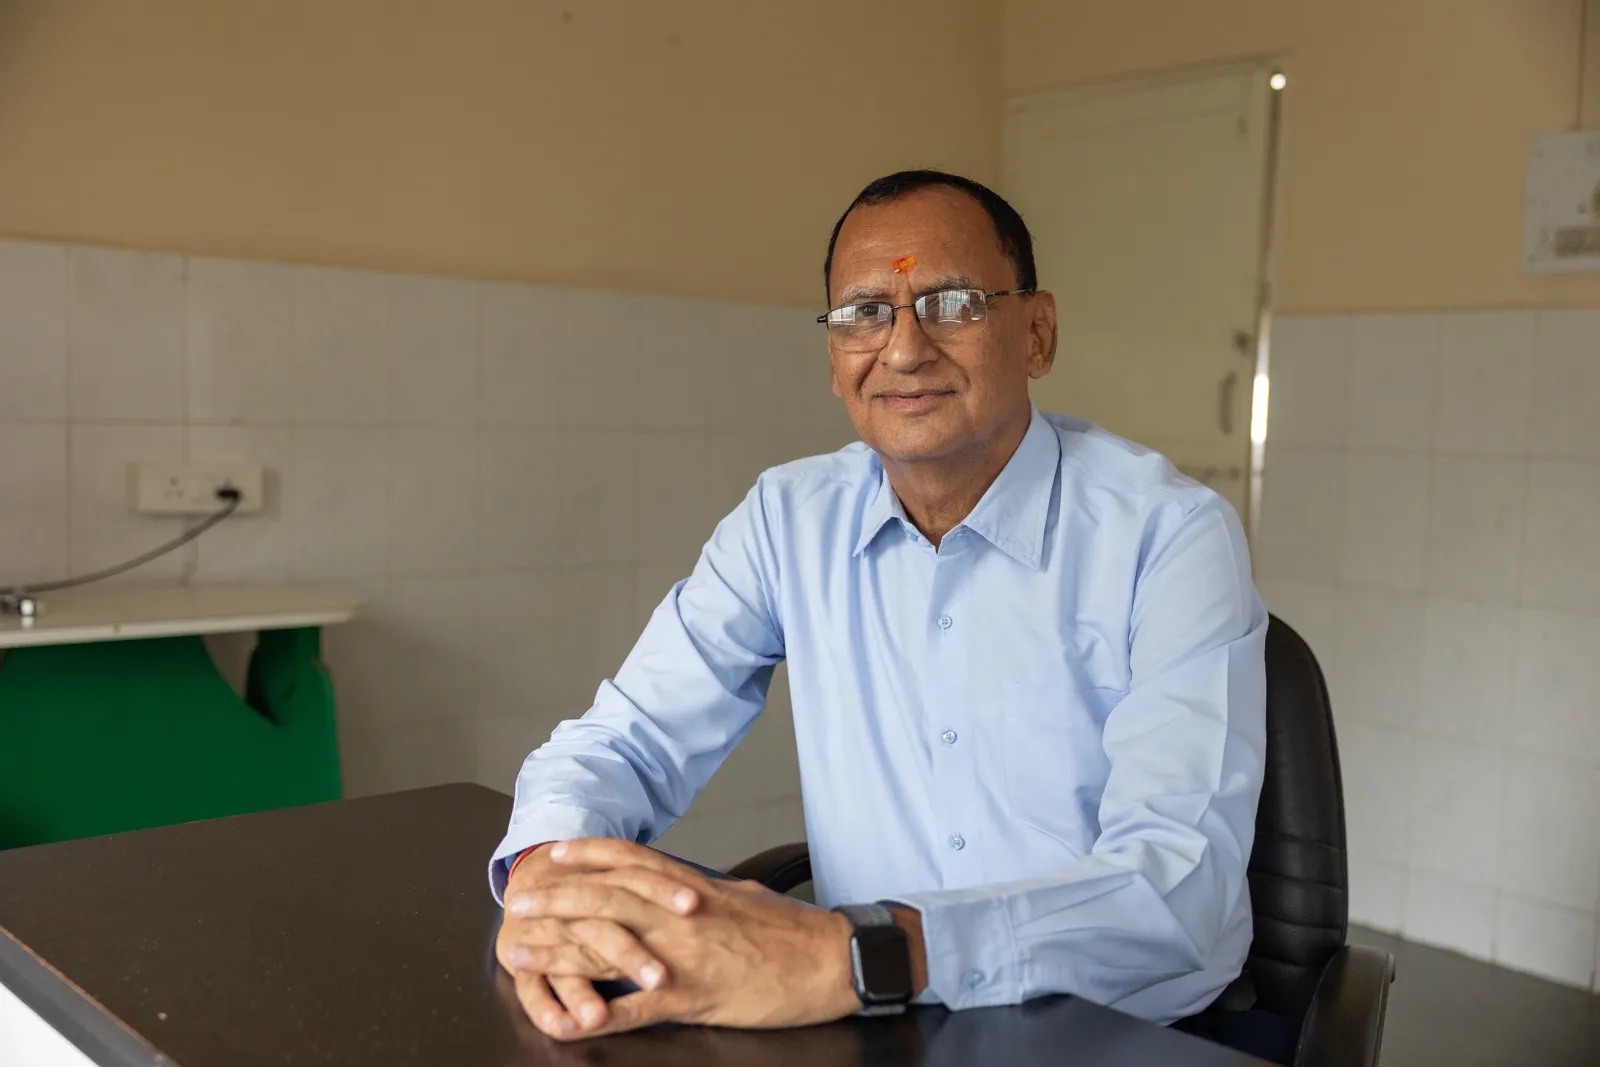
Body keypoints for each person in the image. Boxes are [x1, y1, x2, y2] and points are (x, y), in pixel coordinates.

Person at [491, 170, 1270, 1052]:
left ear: (1037, 332)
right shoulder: (788, 520)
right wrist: (549, 873)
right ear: (834, 357)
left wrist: (851, 951)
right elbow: (624, 741)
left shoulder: (1169, 535)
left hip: (1116, 1030)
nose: (903, 349)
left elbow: (1179, 886)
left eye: (952, 303)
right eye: (864, 313)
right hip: (872, 1018)